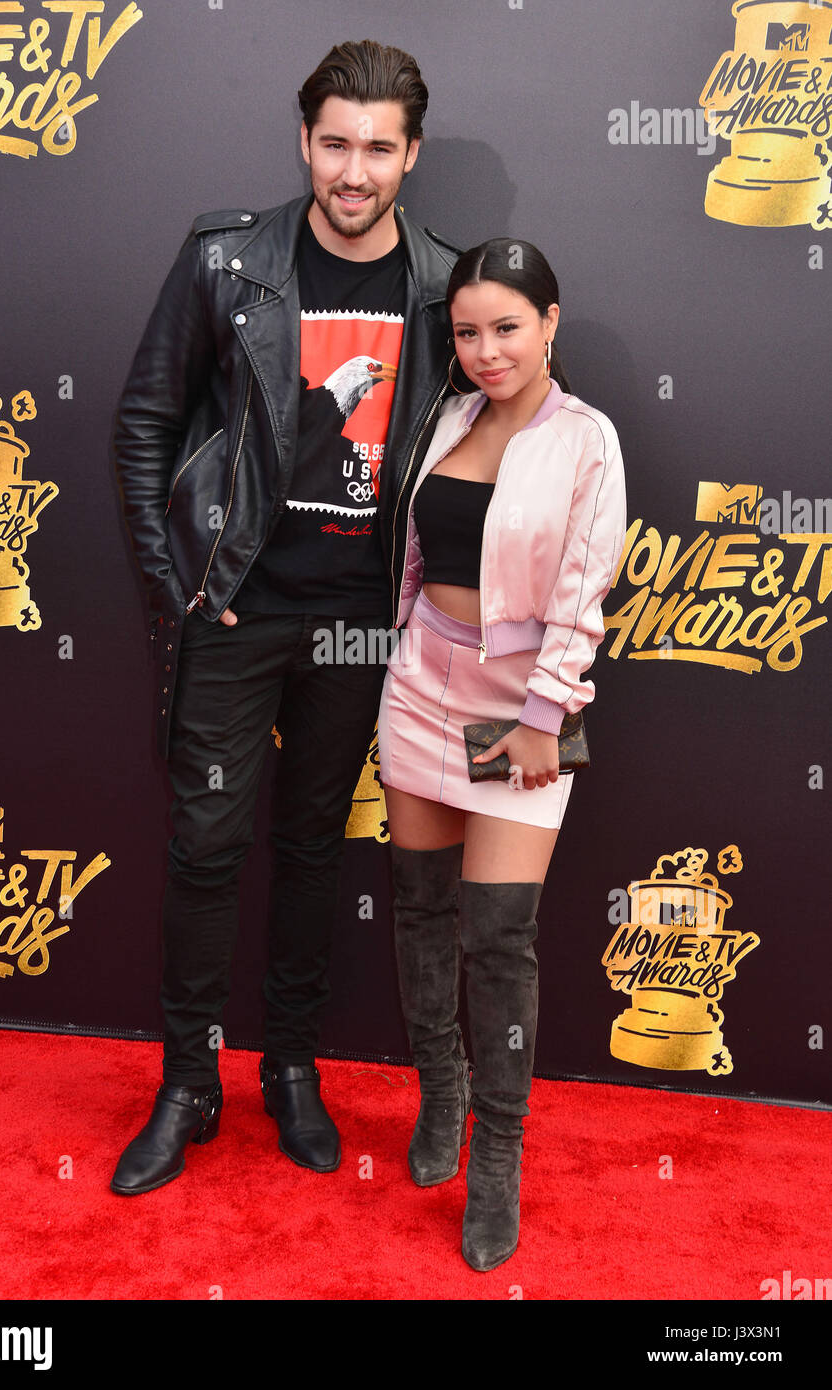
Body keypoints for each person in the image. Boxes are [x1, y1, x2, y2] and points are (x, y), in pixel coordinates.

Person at [109, 40, 460, 1195]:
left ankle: (293, 1072)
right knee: (205, 850)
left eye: (377, 148)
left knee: (313, 849)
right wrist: (182, 590)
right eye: (333, 144)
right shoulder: (229, 261)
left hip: (359, 625)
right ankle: (186, 1083)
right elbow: (144, 420)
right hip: (237, 611)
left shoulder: (442, 288)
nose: (351, 172)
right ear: (304, 141)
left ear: (410, 153)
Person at [378, 238, 627, 1270]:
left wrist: (541, 716)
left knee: (498, 938)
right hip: (420, 691)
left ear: (551, 323)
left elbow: (581, 596)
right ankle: (439, 1092)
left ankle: (497, 1155)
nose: (485, 351)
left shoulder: (587, 439)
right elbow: (415, 557)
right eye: (467, 332)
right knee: (421, 910)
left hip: (520, 711)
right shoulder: (447, 413)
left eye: (507, 329)